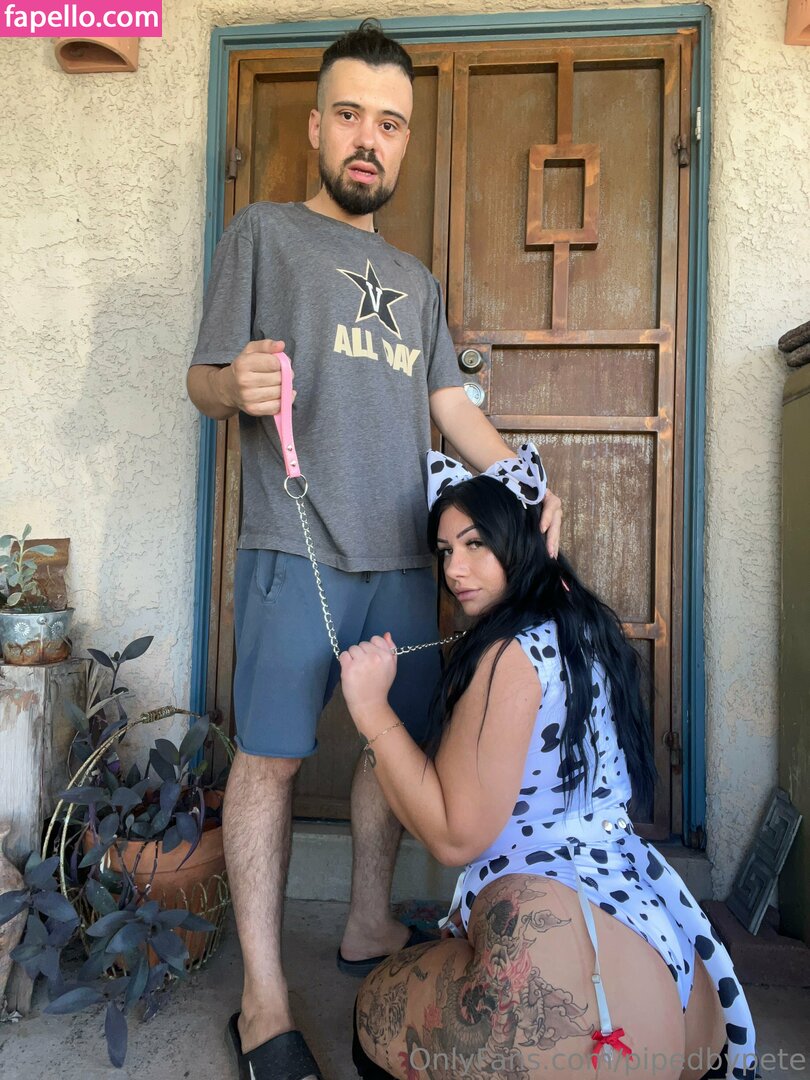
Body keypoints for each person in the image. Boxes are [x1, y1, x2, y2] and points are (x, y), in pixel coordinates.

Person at [186, 20, 563, 1080]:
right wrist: (231, 385)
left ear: (404, 141)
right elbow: (202, 377)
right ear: (316, 127)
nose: (368, 138)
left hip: (403, 558)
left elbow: (450, 405)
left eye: (389, 123)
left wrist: (527, 482)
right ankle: (263, 1003)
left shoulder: (414, 278)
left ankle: (365, 924)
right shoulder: (262, 234)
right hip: (292, 546)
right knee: (270, 759)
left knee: (386, 750)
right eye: (350, 115)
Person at [340, 443, 757, 1080]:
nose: (455, 569)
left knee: (374, 1007)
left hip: (558, 1011)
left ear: (521, 542)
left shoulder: (508, 655)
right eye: (446, 551)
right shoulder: (584, 627)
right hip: (664, 965)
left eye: (476, 544)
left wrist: (371, 710)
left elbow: (454, 837)